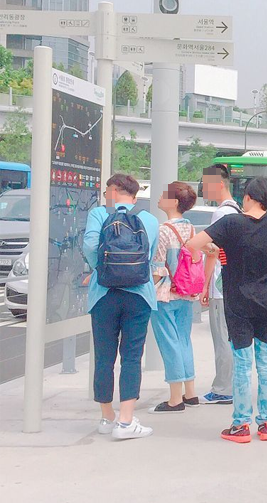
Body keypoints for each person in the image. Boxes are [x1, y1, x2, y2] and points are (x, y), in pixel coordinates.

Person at [186, 177, 267, 443]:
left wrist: (216, 248)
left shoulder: (231, 223)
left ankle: (240, 426)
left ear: (248, 196)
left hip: (239, 301)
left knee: (243, 364)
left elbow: (192, 245)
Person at [82, 173, 160, 439]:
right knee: (131, 356)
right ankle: (126, 422)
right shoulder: (149, 220)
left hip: (103, 294)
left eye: (107, 192)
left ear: (113, 191)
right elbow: (150, 256)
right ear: (134, 196)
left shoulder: (98, 215)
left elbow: (90, 245)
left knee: (104, 356)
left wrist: (100, 269)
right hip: (139, 294)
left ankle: (107, 417)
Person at [148, 182, 200, 414]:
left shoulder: (163, 230)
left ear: (174, 202)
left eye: (164, 194)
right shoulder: (191, 228)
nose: (159, 197)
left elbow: (158, 267)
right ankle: (190, 392)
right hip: (186, 292)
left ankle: (174, 398)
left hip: (165, 293)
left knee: (169, 342)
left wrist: (149, 291)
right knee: (183, 340)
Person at [198, 164, 241, 405]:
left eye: (206, 184)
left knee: (222, 337)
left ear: (219, 184)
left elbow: (213, 252)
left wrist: (204, 285)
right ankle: (230, 385)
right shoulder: (237, 210)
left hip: (220, 284)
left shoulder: (221, 214)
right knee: (230, 337)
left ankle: (223, 388)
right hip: (232, 282)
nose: (204, 188)